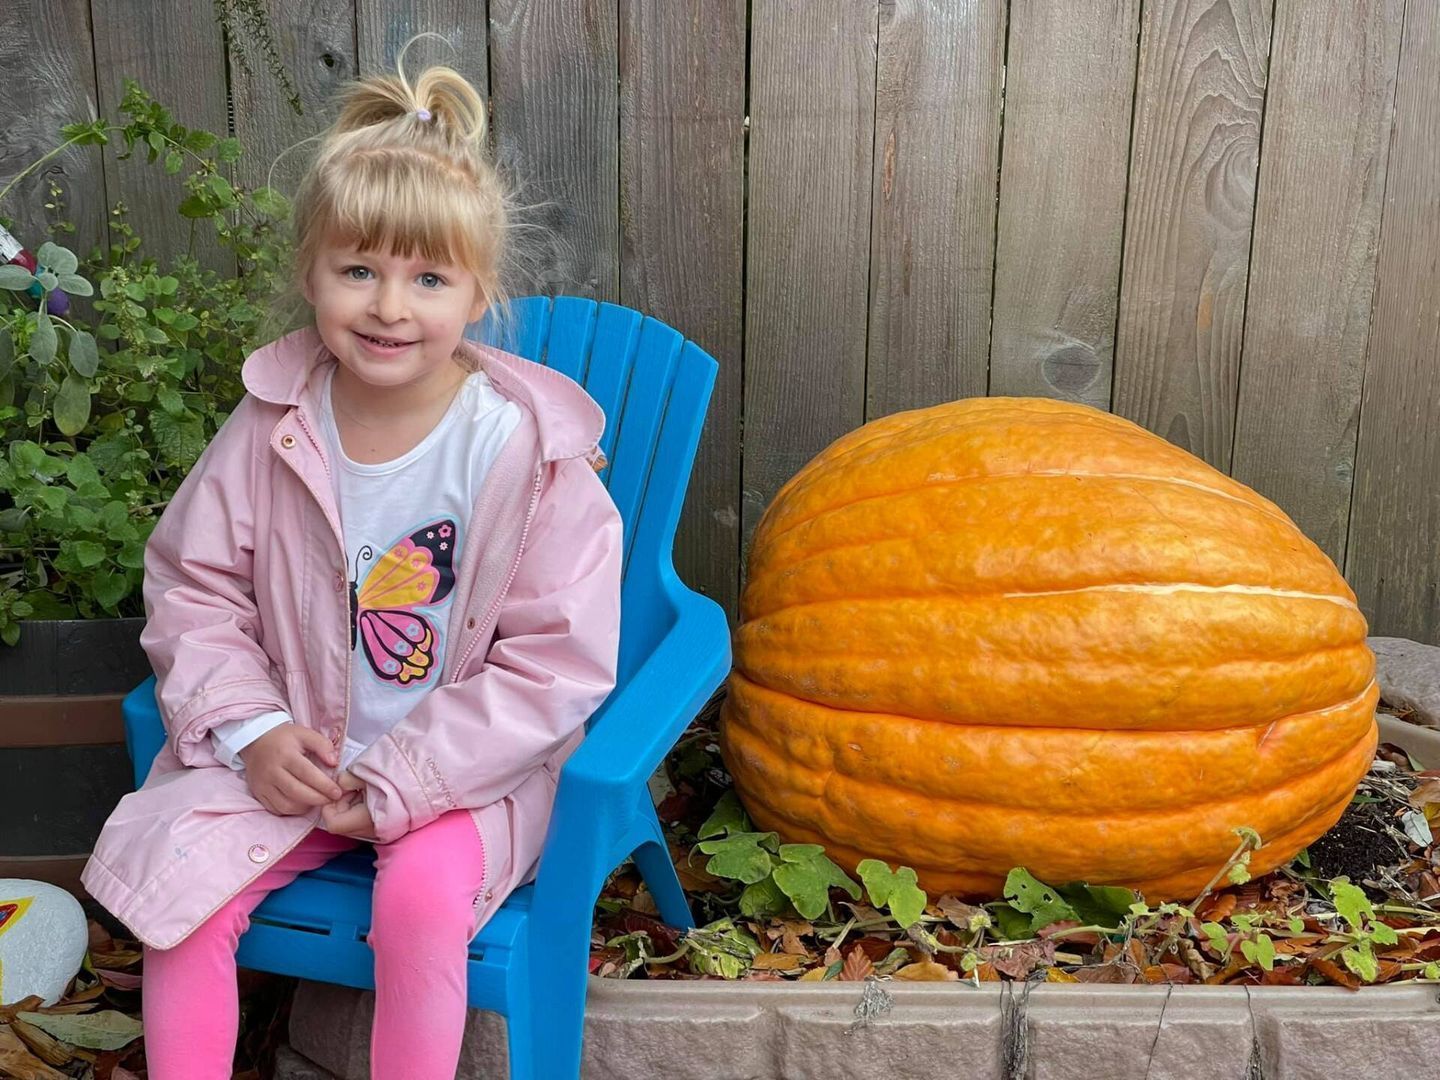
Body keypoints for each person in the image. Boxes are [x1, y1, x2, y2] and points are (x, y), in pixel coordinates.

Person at [81, 47, 622, 1080]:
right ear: (311, 275)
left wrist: (406, 779)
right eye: (359, 270)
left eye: (428, 278)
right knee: (181, 908)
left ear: (477, 292)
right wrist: (252, 729)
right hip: (290, 754)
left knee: (420, 904)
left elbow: (554, 664)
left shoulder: (519, 452)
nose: (389, 306)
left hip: (462, 775)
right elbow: (195, 586)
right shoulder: (273, 425)